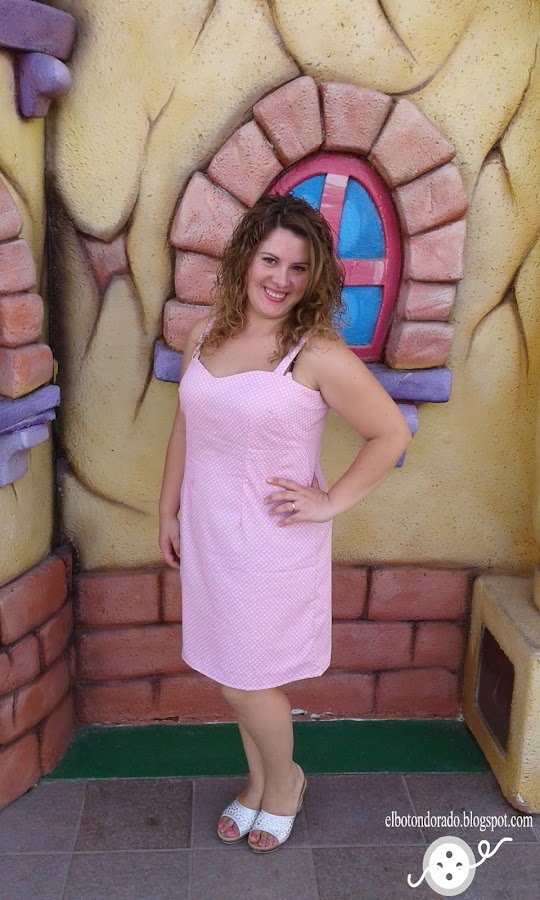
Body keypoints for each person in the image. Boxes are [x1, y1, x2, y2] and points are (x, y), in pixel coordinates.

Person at [159, 193, 411, 853]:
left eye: (299, 268)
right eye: (270, 260)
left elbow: (389, 432)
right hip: (211, 533)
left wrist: (329, 502)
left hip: (270, 545)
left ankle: (285, 783)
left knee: (245, 681)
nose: (281, 278)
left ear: (315, 276)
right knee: (235, 673)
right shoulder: (204, 334)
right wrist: (168, 509)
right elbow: (187, 425)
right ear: (246, 257)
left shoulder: (314, 351)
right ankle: (259, 780)